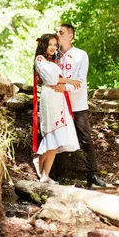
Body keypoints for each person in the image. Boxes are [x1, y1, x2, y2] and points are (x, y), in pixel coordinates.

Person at [51, 23, 106, 187]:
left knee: (86, 139)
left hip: (77, 104)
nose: (57, 35)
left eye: (60, 32)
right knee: (58, 140)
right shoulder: (53, 56)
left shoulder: (81, 55)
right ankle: (59, 176)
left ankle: (92, 175)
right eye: (56, 32)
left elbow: (80, 81)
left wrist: (65, 87)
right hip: (58, 104)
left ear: (70, 36)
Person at [32, 34, 82, 183]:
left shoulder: (51, 61)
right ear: (44, 46)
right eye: (50, 45)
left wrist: (64, 81)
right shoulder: (40, 59)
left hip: (58, 97)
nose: (53, 48)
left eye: (55, 45)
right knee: (52, 133)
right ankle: (39, 163)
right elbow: (51, 79)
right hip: (49, 97)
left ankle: (45, 175)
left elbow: (54, 78)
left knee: (57, 136)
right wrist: (69, 80)